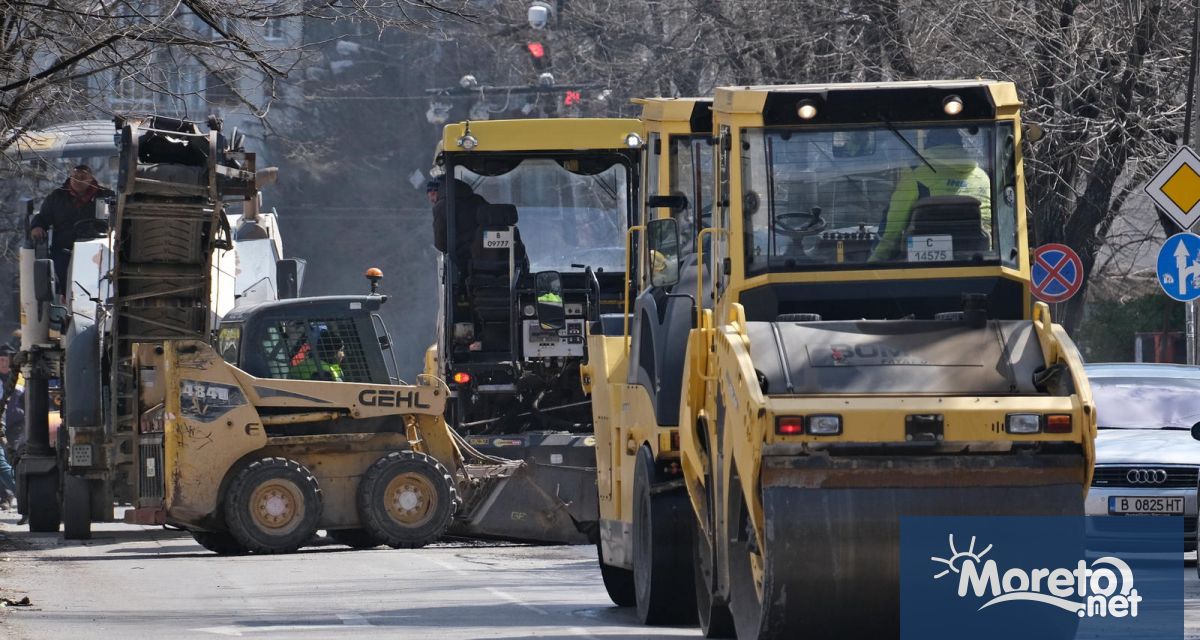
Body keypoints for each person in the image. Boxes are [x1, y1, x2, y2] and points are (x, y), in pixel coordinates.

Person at [869, 128, 992, 261]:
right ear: (960, 145)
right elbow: (987, 223)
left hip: (921, 262)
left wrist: (874, 263)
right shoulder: (981, 176)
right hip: (975, 260)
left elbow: (893, 228)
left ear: (928, 144)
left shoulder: (916, 174)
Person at [30, 165, 115, 294]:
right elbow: (43, 217)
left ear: (91, 179)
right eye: (75, 176)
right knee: (59, 269)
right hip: (65, 248)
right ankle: (65, 296)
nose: (78, 180)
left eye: (83, 177)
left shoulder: (106, 196)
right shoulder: (57, 197)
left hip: (99, 247)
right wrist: (37, 227)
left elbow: (116, 218)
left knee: (107, 269)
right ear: (70, 178)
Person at [431, 176, 488, 274]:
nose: (432, 200)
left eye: (431, 197)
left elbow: (441, 243)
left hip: (463, 263)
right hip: (488, 255)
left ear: (435, 191)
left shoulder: (442, 206)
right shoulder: (478, 200)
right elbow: (490, 220)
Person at [0, 345, 21, 512]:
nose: (3, 363)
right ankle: (9, 496)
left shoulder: (17, 378)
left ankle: (20, 493)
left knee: (6, 463)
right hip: (4, 425)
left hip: (15, 426)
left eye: (6, 360)